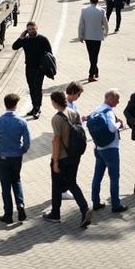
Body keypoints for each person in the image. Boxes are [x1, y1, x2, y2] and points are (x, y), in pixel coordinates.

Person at [42, 90, 93, 227]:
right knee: (72, 183)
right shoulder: (73, 112)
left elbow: (56, 140)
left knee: (56, 185)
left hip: (62, 157)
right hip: (75, 155)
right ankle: (84, 209)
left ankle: (55, 214)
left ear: (54, 102)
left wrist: (55, 161)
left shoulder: (57, 119)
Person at [0, 93, 31, 224]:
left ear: (5, 104)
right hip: (16, 156)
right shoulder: (22, 122)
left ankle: (8, 214)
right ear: (16, 105)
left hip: (3, 157)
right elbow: (27, 142)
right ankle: (20, 205)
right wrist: (22, 150)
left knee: (5, 185)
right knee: (16, 180)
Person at [89, 90, 127, 213]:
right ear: (109, 99)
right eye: (117, 99)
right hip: (111, 149)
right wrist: (118, 124)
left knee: (97, 177)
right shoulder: (108, 112)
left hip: (98, 149)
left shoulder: (96, 110)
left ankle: (95, 202)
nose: (118, 102)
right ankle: (116, 204)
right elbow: (111, 128)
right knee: (114, 177)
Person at [11, 21, 52, 119]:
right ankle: (34, 107)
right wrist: (21, 38)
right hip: (29, 68)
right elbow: (14, 47)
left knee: (37, 88)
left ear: (37, 28)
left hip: (40, 69)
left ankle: (37, 108)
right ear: (27, 30)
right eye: (29, 29)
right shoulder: (25, 40)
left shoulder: (43, 39)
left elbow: (50, 53)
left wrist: (45, 67)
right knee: (31, 88)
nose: (31, 31)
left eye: (33, 29)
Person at [78, 0, 109, 82]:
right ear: (97, 1)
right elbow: (105, 23)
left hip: (88, 36)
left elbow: (81, 24)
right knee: (95, 55)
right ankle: (91, 74)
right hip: (97, 37)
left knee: (91, 55)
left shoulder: (84, 10)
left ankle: (95, 70)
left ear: (90, 0)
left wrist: (80, 35)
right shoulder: (101, 11)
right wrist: (106, 33)